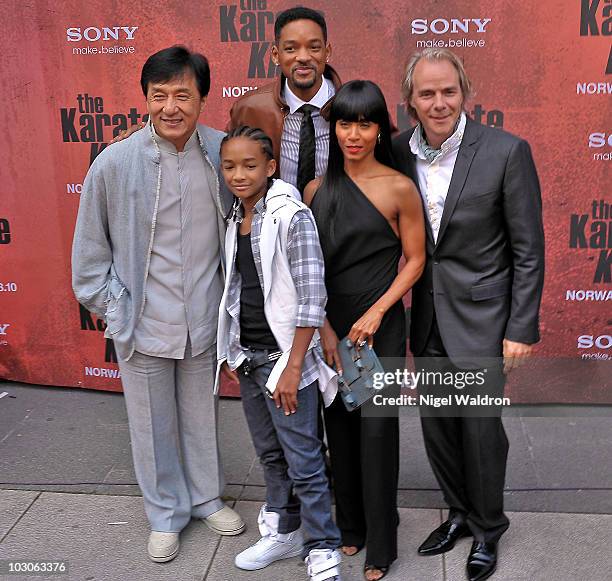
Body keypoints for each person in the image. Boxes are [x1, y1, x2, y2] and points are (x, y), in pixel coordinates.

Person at [71, 46, 244, 563]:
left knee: (199, 414)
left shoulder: (222, 153)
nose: (171, 107)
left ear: (203, 98)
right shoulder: (115, 163)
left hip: (203, 317)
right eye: (159, 95)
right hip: (142, 318)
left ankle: (206, 498)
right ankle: (164, 514)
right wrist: (116, 306)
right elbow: (88, 257)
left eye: (183, 95)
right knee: (150, 422)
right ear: (145, 98)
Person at [392, 48, 545, 581]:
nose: (439, 103)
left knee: (481, 432)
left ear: (465, 92)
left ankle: (487, 528)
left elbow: (528, 250)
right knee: (438, 429)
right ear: (410, 100)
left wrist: (521, 329)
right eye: (427, 93)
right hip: (427, 318)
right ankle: (457, 512)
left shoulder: (506, 152)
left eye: (448, 92)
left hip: (484, 321)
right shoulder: (395, 153)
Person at [304, 80, 426, 581]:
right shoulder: (314, 190)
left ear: (380, 129)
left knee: (377, 432)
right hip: (333, 328)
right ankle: (350, 527)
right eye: (344, 123)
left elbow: (415, 260)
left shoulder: (399, 187)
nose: (353, 134)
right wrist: (326, 331)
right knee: (341, 428)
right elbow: (308, 270)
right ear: (333, 129)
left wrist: (377, 313)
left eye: (365, 123)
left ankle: (381, 545)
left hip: (378, 328)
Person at [217, 126, 342, 580]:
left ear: (271, 168)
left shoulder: (292, 217)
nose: (238, 174)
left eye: (250, 165)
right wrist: (232, 352)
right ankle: (282, 530)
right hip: (249, 358)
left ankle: (323, 546)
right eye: (229, 165)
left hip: (285, 362)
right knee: (269, 455)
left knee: (304, 459)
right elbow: (239, 292)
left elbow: (311, 299)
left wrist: (292, 367)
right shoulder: (236, 218)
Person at [228, 6, 341, 194]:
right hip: (275, 220)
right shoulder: (249, 109)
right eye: (290, 49)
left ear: (327, 52)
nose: (303, 57)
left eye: (314, 47)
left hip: (340, 220)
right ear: (275, 55)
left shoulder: (353, 106)